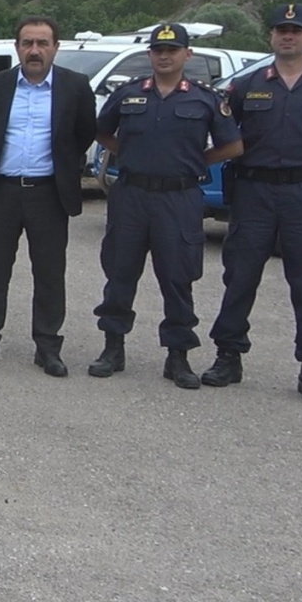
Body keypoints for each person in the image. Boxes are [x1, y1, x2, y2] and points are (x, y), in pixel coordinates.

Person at [201, 4, 302, 406]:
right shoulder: (246, 86)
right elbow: (226, 136)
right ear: (271, 36)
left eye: (296, 29)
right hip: (254, 193)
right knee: (240, 278)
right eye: (281, 29)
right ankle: (228, 357)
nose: (287, 35)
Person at [87, 24, 241, 388]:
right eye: (158, 50)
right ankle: (113, 348)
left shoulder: (205, 98)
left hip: (178, 198)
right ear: (150, 54)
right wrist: (129, 153)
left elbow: (233, 146)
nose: (164, 56)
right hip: (131, 196)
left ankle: (178, 356)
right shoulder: (129, 94)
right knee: (120, 273)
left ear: (188, 54)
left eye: (172, 50)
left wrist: (195, 162)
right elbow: (101, 130)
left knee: (178, 277)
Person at [0, 15, 98, 376]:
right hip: (3, 192)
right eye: (27, 43)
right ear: (17, 47)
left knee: (49, 275)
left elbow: (83, 134)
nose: (34, 50)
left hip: (48, 194)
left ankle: (48, 347)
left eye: (42, 43)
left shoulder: (75, 86)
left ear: (56, 47)